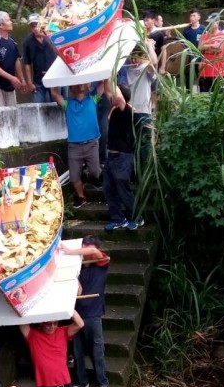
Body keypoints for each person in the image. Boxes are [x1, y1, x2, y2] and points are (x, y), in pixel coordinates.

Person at [62, 236, 110, 387]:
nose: (83, 253)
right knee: (77, 351)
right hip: (77, 316)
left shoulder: (101, 263)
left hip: (94, 314)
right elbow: (79, 292)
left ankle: (102, 382)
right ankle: (81, 382)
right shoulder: (77, 268)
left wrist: (69, 251)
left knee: (97, 350)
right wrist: (74, 279)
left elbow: (93, 251)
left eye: (84, 249)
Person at [50, 81, 105, 209]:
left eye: (82, 82)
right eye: (75, 83)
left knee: (95, 172)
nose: (79, 85)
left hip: (91, 143)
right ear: (70, 88)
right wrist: (53, 79)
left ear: (87, 85)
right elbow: (54, 93)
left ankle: (96, 181)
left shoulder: (93, 99)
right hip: (74, 146)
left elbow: (103, 84)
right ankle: (81, 197)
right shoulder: (67, 104)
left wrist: (104, 73)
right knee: (74, 177)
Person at [103, 82, 141, 231]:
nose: (111, 95)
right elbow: (107, 90)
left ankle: (136, 217)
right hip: (111, 157)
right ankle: (118, 219)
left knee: (123, 189)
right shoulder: (114, 109)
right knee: (108, 188)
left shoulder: (127, 110)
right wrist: (106, 78)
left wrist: (111, 78)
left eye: (114, 94)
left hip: (123, 157)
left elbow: (117, 96)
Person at [22, 14, 55, 103]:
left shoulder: (52, 36)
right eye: (33, 26)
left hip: (54, 78)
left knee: (57, 106)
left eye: (37, 25)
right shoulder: (28, 42)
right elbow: (27, 63)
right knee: (38, 106)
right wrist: (29, 82)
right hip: (38, 81)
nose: (35, 28)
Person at [198, 13, 224, 92]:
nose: (209, 25)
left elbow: (218, 49)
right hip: (205, 71)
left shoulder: (222, 35)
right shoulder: (204, 36)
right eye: (208, 23)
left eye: (211, 23)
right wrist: (212, 46)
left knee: (218, 97)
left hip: (218, 72)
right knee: (204, 96)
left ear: (217, 22)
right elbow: (200, 47)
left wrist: (206, 47)